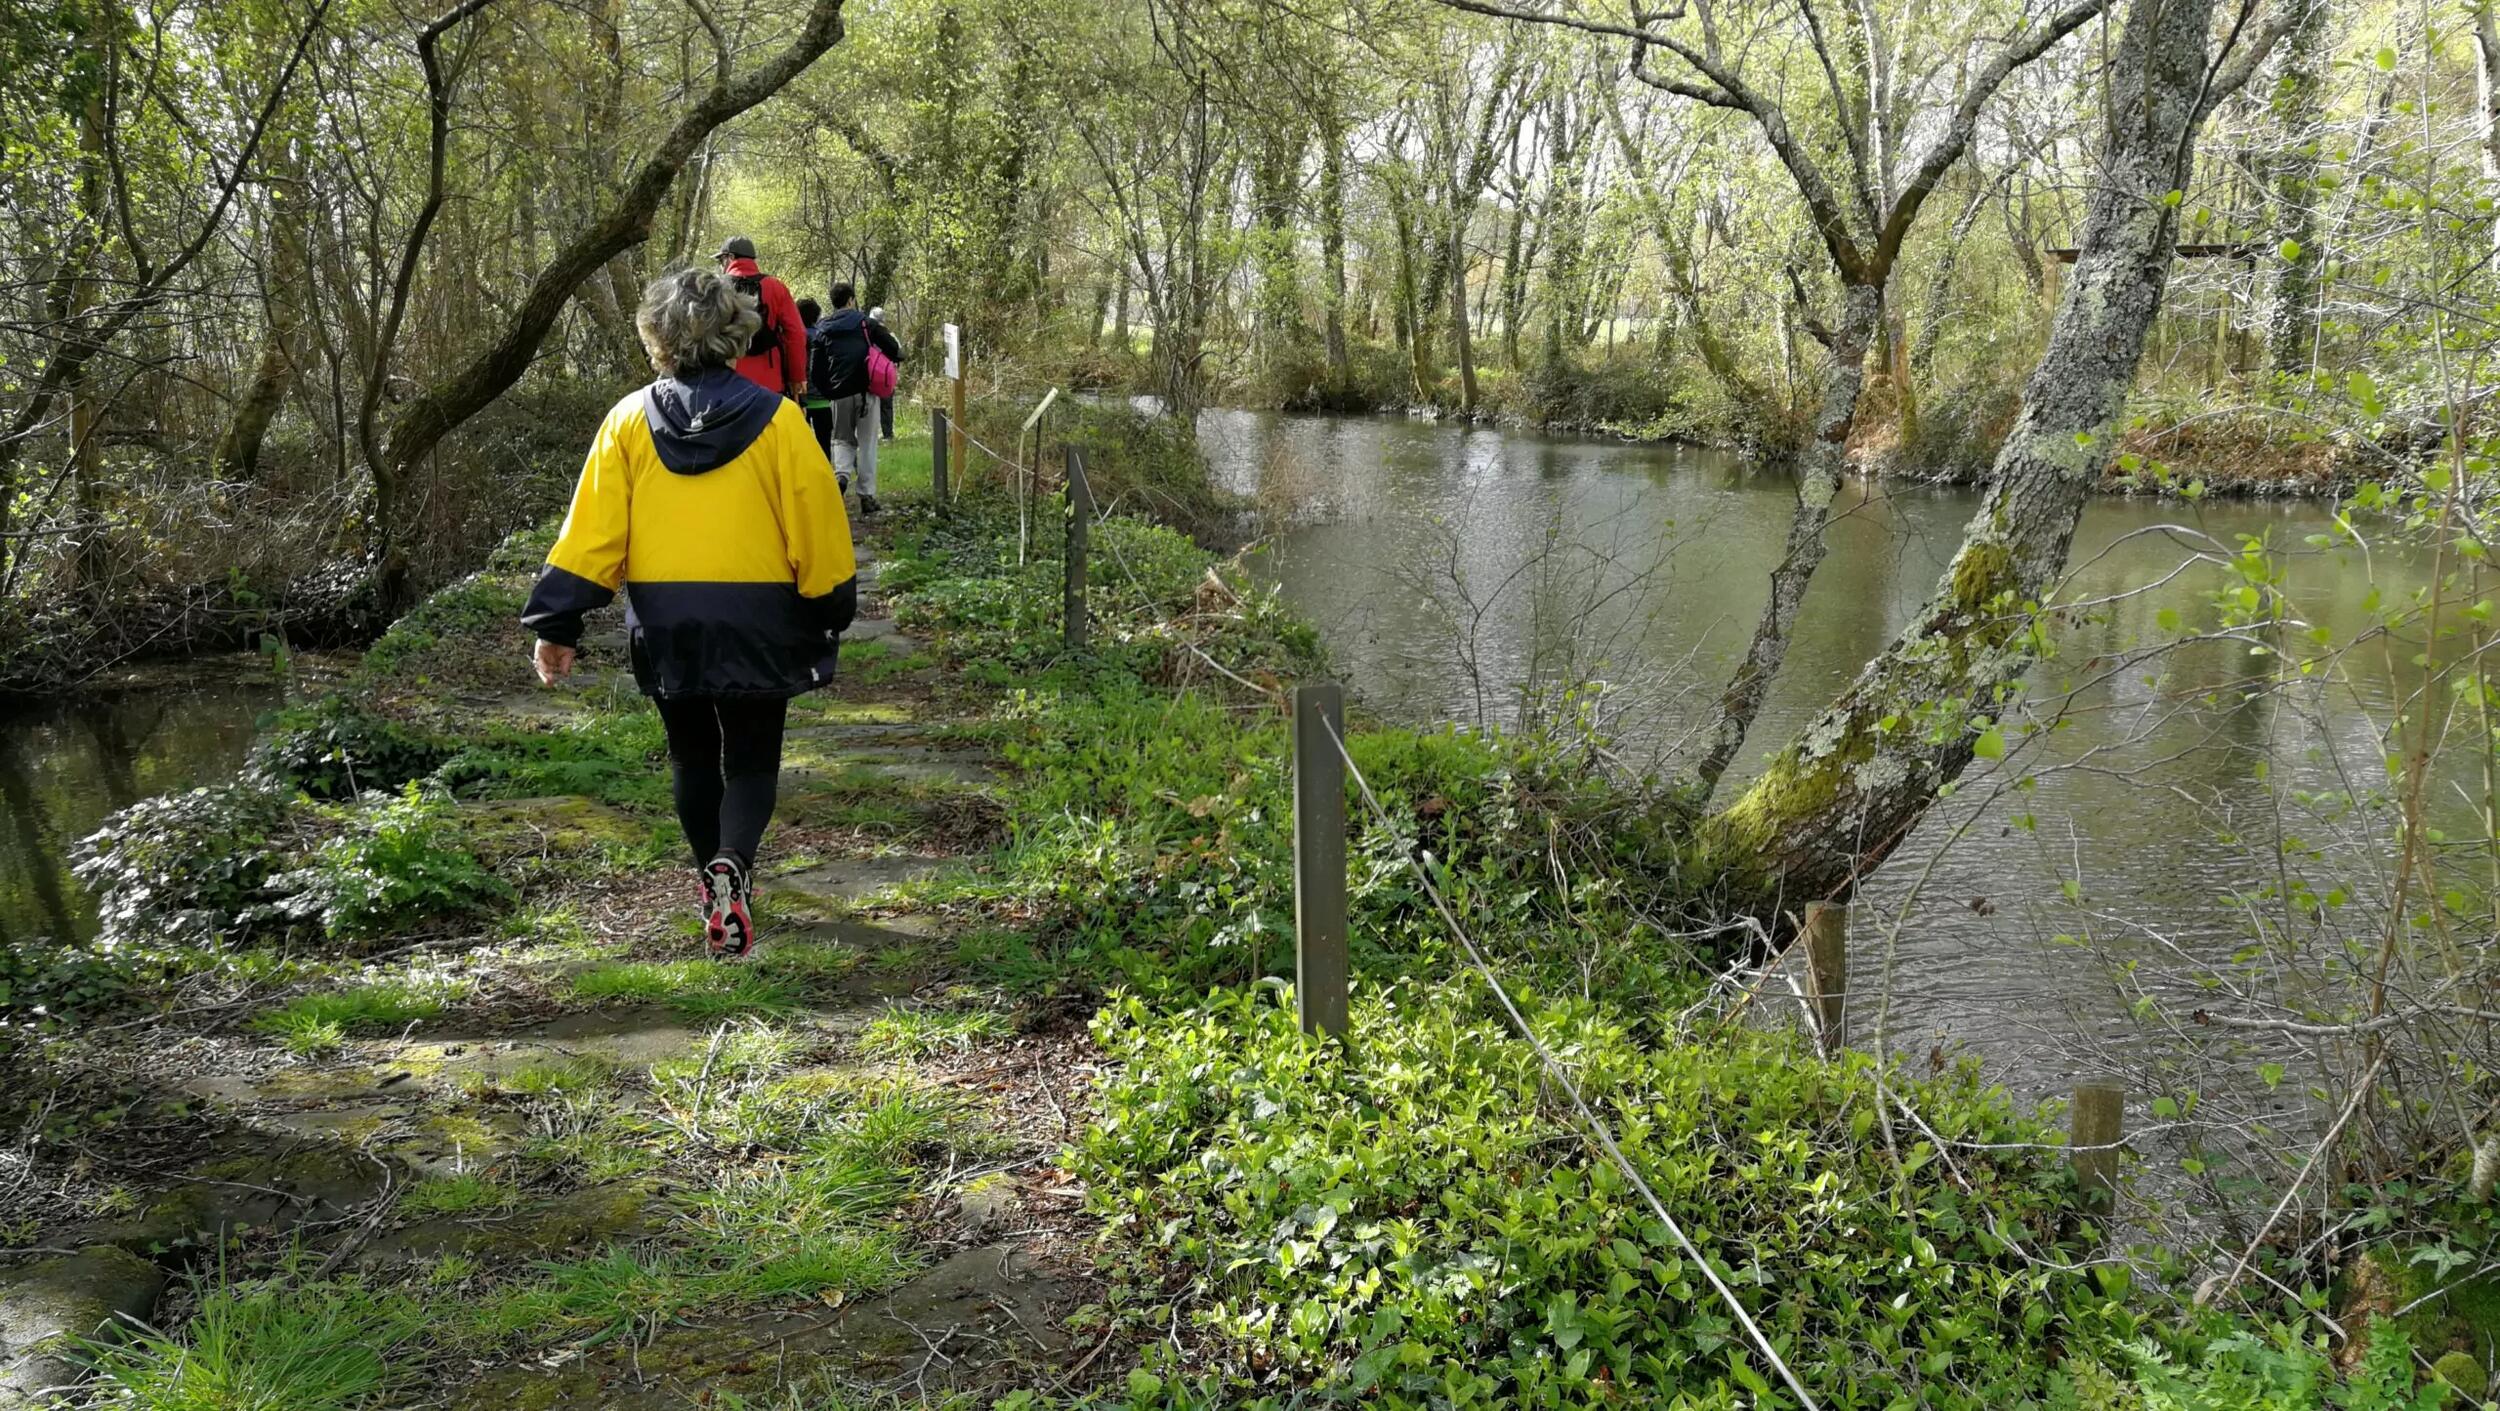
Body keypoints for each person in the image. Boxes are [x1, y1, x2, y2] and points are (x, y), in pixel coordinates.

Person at [521, 269, 856, 960]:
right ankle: (736, 863)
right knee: (754, 762)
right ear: (738, 332)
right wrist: (830, 604)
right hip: (760, 614)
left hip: (667, 619)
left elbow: (593, 532)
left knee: (693, 756)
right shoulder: (781, 423)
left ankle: (712, 882)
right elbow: (817, 526)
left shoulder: (626, 422)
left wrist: (558, 623)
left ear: (657, 336)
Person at [806, 282, 902, 514]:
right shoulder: (866, 324)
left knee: (841, 439)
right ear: (851, 300)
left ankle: (841, 476)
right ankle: (867, 496)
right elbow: (893, 349)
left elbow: (815, 370)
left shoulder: (823, 328)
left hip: (838, 395)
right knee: (867, 442)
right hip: (866, 392)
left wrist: (829, 392)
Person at [714, 236, 807, 402]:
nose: (721, 266)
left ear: (731, 257)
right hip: (770, 383)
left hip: (725, 383)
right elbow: (797, 334)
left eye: (721, 260)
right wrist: (796, 377)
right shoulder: (775, 286)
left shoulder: (715, 288)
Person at [794, 297, 836, 464]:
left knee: (801, 446)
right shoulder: (823, 336)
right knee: (824, 445)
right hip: (823, 399)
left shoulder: (794, 338)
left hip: (800, 399)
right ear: (816, 316)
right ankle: (826, 480)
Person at [867, 305, 897, 441]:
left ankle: (872, 434)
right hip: (886, 375)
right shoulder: (890, 335)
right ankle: (887, 434)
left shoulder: (866, 335)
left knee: (871, 404)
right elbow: (899, 354)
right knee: (886, 405)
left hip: (871, 375)